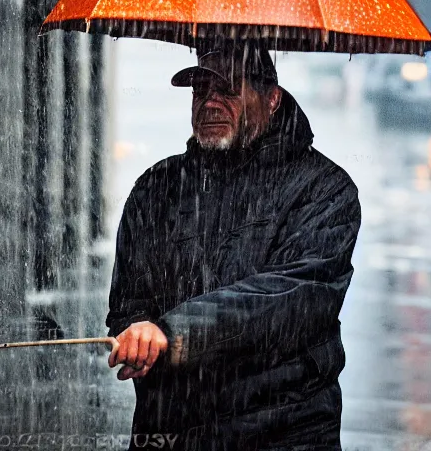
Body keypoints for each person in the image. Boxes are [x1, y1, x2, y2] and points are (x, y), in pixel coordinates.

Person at [105, 39, 362, 451]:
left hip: (283, 435)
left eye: (227, 90)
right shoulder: (157, 189)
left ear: (272, 99)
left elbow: (292, 298)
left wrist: (174, 333)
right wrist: (137, 336)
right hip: (172, 434)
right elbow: (128, 305)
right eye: (200, 91)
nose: (209, 103)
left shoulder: (326, 191)